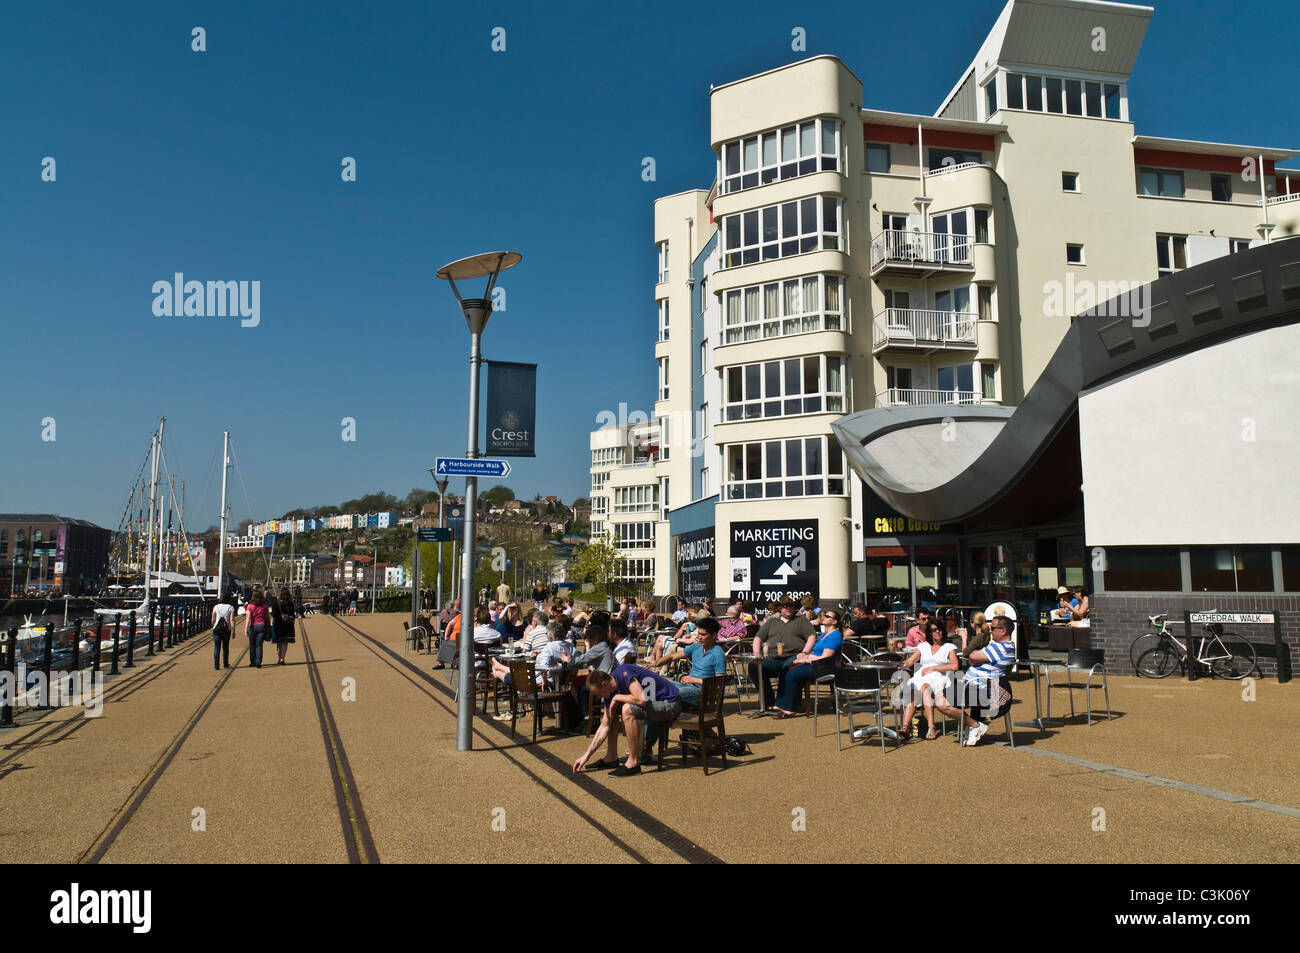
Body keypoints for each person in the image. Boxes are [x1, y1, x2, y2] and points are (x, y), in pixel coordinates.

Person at [571, 664, 682, 777]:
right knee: (611, 713)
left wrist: (617, 697)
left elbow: (641, 699)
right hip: (654, 706)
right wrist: (586, 756)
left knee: (627, 709)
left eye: (597, 693)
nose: (598, 697)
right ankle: (611, 757)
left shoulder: (624, 672)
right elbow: (605, 725)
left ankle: (633, 763)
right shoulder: (609, 692)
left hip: (670, 703)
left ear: (604, 684)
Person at [933, 615, 1017, 746]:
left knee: (941, 701)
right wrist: (975, 659)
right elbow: (972, 658)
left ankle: (975, 725)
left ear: (1003, 630)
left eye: (993, 628)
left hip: (981, 690)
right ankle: (973, 725)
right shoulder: (998, 646)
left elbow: (970, 655)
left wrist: (972, 655)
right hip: (976, 686)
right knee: (939, 694)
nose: (990, 630)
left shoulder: (1001, 647)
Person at [769, 609, 844, 717]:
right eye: (825, 615)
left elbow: (826, 656)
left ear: (834, 621)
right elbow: (816, 652)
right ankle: (781, 703)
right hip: (816, 664)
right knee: (786, 668)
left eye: (827, 616)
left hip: (825, 668)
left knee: (793, 674)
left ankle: (790, 708)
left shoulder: (835, 635)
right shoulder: (824, 635)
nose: (824, 617)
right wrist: (802, 657)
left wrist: (805, 660)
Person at [747, 597, 816, 711]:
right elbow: (758, 638)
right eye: (785, 606)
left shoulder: (801, 620)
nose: (788, 608)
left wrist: (805, 652)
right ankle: (768, 701)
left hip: (794, 655)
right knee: (754, 666)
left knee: (787, 668)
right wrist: (757, 654)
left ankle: (783, 704)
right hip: (773, 657)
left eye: (791, 605)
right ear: (779, 608)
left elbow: (812, 637)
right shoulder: (772, 621)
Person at [898, 621, 959, 740]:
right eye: (934, 629)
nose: (937, 631)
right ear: (929, 633)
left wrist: (934, 667)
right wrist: (898, 665)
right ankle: (906, 726)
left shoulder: (949, 647)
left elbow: (954, 666)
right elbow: (910, 662)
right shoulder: (923, 646)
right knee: (913, 688)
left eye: (940, 629)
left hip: (939, 676)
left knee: (925, 687)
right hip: (921, 675)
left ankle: (931, 727)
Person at [650, 615, 726, 708]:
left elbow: (719, 682)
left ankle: (656, 715)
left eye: (703, 634)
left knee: (667, 692)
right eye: (699, 634)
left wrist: (694, 680)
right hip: (687, 686)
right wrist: (654, 664)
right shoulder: (697, 646)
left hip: (703, 692)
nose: (699, 637)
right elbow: (672, 656)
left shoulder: (718, 653)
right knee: (653, 684)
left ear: (713, 635)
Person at [270, 586, 297, 665]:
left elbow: (274, 614)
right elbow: (292, 614)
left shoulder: (276, 602)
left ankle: (279, 658)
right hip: (288, 624)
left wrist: (272, 622)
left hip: (278, 624)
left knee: (279, 642)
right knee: (285, 642)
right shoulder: (290, 603)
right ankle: (282, 658)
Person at [244, 587, 270, 668]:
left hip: (252, 626)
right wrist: (269, 624)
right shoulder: (265, 606)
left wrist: (245, 629)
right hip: (261, 626)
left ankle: (252, 662)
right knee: (259, 645)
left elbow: (248, 618)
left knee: (252, 644)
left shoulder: (250, 606)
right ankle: (258, 661)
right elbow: (267, 617)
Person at [211, 592, 235, 670]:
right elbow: (232, 620)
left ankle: (216, 665)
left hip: (217, 629)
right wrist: (233, 630)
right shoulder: (231, 607)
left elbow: (213, 619)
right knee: (225, 647)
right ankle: (225, 663)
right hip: (226, 629)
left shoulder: (216, 607)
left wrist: (213, 626)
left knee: (217, 648)